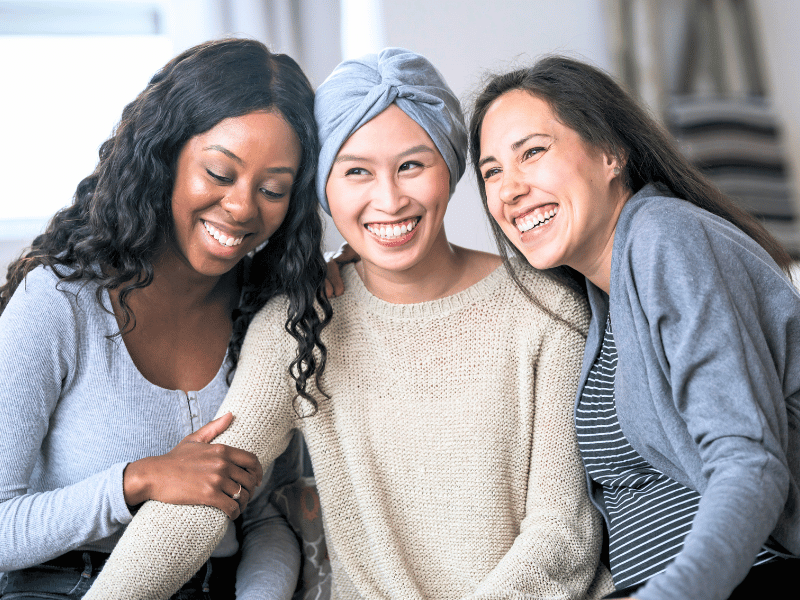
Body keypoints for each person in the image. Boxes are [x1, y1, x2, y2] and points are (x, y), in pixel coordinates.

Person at [81, 48, 614, 600]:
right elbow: (197, 506)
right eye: (356, 171)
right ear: (323, 192)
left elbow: (561, 539)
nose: (388, 199)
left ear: (451, 169)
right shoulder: (299, 325)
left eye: (412, 165)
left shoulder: (547, 309)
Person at [0, 38, 331, 599]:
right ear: (165, 155)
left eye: (272, 189)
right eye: (220, 174)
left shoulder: (272, 317)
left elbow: (261, 520)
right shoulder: (60, 301)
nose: (243, 207)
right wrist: (140, 479)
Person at [469, 55, 800, 600]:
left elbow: (749, 463)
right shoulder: (600, 294)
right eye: (491, 171)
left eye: (532, 152)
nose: (509, 189)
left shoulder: (664, 238)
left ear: (610, 153)